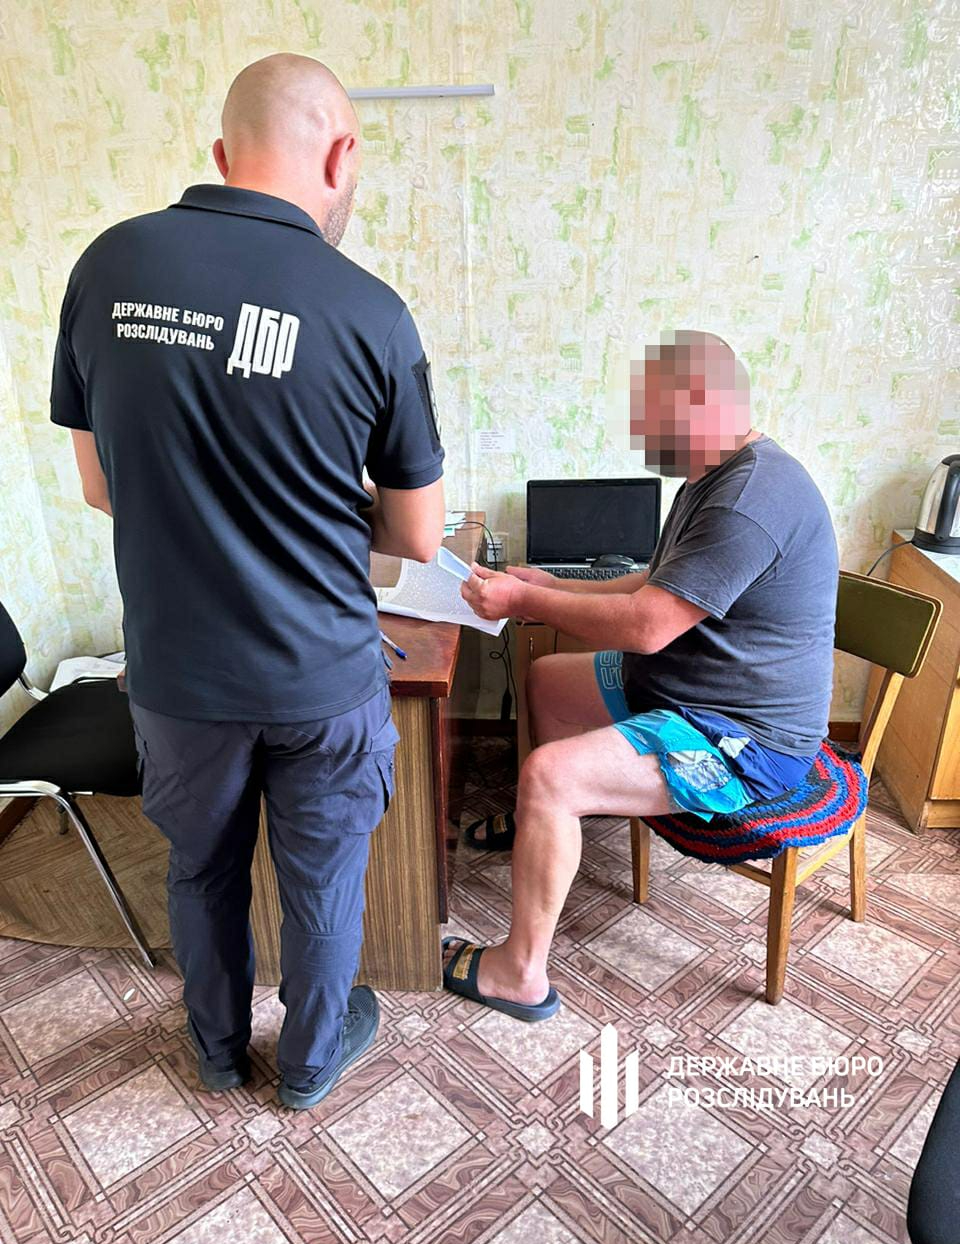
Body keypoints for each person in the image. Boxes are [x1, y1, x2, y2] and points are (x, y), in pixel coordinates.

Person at [52, 54, 445, 1107]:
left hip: (179, 675)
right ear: (342, 156)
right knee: (323, 885)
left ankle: (217, 1051)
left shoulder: (107, 266)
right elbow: (416, 533)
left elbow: (100, 485)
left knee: (200, 869)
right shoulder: (371, 310)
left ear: (223, 153)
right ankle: (309, 1064)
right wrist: (315, 503)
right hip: (322, 675)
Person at [446, 330, 837, 1021]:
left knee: (549, 775)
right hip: (685, 688)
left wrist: (525, 601)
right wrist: (551, 583)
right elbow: (655, 581)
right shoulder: (714, 476)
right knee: (547, 680)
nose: (646, 437)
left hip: (742, 740)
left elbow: (649, 625)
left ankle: (520, 974)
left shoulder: (750, 498)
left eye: (656, 419)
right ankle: (553, 822)